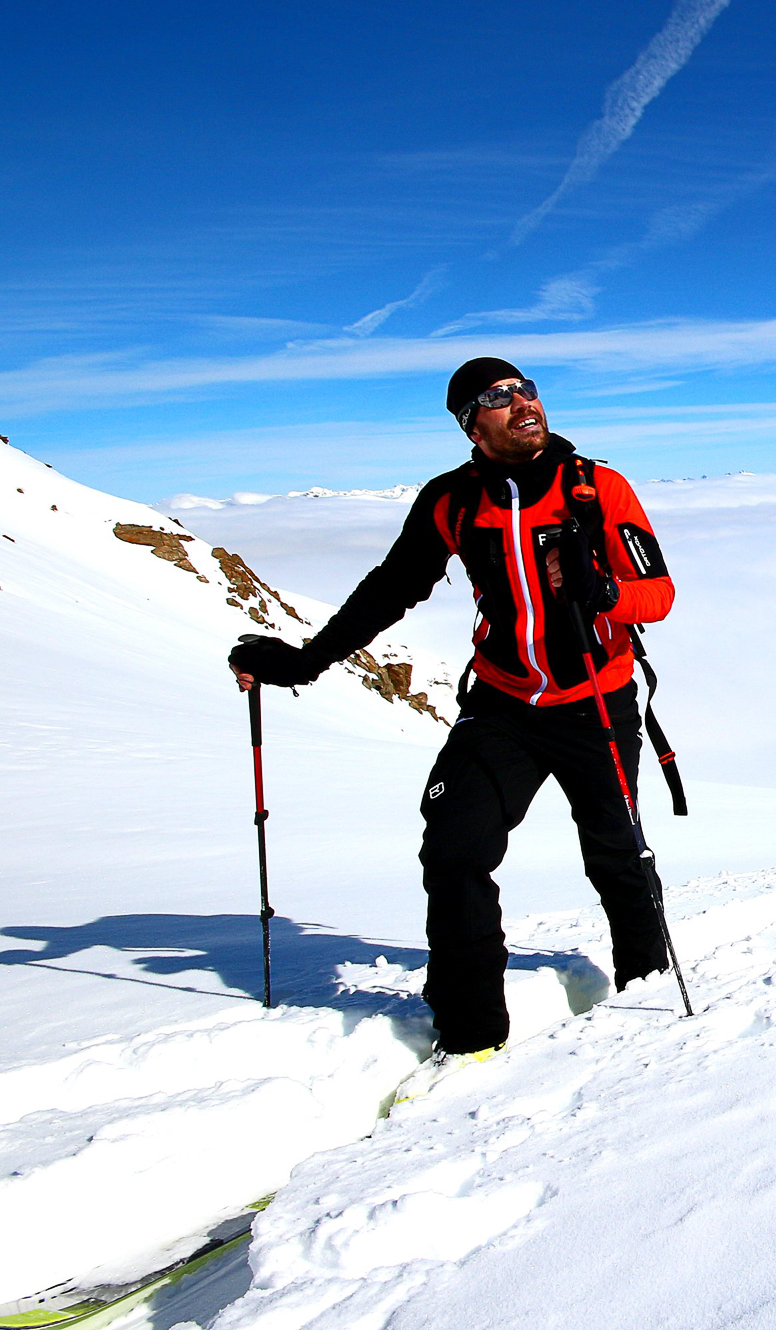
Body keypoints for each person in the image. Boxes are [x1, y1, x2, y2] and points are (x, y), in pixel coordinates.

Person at [228, 357, 676, 1058]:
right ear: (472, 423)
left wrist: (603, 593)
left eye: (525, 389)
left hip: (597, 698)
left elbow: (659, 594)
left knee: (616, 854)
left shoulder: (597, 489)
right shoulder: (452, 501)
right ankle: (469, 1038)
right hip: (503, 705)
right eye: (498, 397)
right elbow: (391, 588)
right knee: (453, 849)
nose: (521, 401)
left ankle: (648, 992)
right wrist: (303, 664)